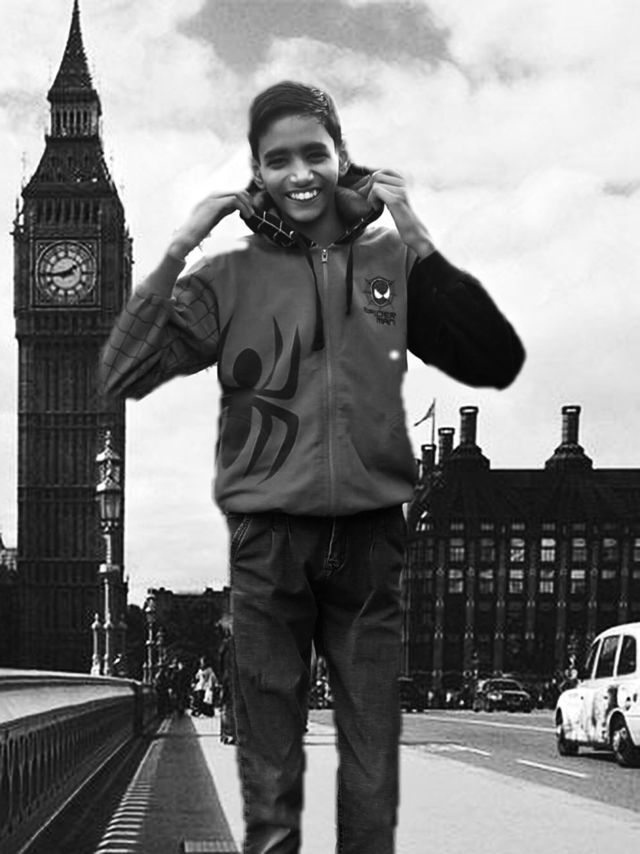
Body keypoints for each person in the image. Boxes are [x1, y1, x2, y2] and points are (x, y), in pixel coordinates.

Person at [100, 81, 524, 854]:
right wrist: (179, 245)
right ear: (259, 173)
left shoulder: (390, 262)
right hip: (270, 540)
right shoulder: (228, 277)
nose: (299, 173)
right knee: (270, 777)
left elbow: (495, 355)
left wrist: (418, 234)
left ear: (339, 158)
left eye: (314, 153)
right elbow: (122, 369)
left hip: (369, 537)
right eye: (279, 158)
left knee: (371, 768)